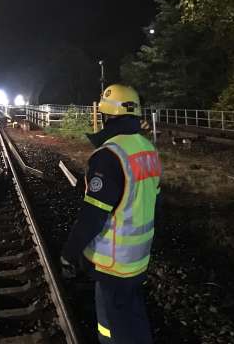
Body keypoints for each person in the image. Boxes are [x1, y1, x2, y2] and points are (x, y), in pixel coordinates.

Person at [61, 84, 161, 343]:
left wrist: (69, 254)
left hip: (112, 262)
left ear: (106, 116)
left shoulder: (109, 156)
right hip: (138, 258)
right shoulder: (147, 150)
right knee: (133, 317)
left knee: (111, 329)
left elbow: (92, 216)